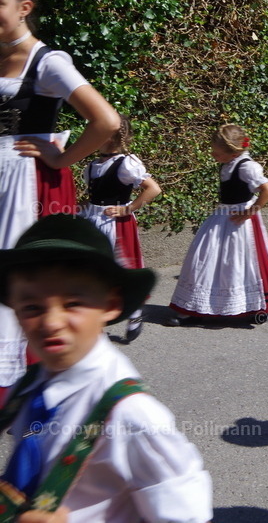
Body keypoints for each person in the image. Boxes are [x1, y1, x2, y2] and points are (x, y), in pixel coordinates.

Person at [0, 214, 212, 520]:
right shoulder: (33, 383)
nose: (51, 322)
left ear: (111, 305)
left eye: (72, 303)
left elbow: (187, 516)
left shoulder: (132, 416)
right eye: (32, 307)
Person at [0, 0, 120, 403]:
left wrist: (61, 158)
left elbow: (105, 121)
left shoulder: (47, 61)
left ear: (24, 8)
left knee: (19, 275)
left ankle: (27, 381)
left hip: (22, 186)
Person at [168, 124, 268, 325]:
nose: (213, 155)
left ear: (233, 152)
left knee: (242, 263)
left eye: (217, 153)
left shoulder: (247, 166)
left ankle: (262, 305)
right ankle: (194, 305)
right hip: (222, 215)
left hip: (240, 222)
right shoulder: (228, 164)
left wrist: (250, 211)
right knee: (203, 257)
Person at [78, 114, 162, 342]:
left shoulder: (126, 163)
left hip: (115, 224)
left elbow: (153, 189)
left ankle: (133, 313)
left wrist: (129, 208)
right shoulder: (94, 165)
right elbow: (96, 194)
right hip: (93, 220)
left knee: (121, 270)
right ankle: (98, 323)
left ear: (111, 137)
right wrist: (85, 205)